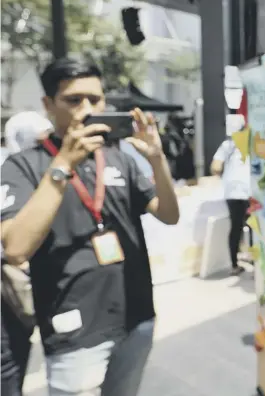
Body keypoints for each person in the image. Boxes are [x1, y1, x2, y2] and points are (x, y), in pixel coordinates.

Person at [0, 57, 180, 396]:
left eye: (96, 100)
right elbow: (15, 248)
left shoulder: (119, 156)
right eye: (73, 100)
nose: (87, 109)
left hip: (136, 317)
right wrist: (63, 164)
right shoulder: (23, 165)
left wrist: (156, 159)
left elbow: (169, 214)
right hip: (73, 331)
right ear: (48, 105)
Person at [1, 111, 53, 396]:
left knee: (20, 346)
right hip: (9, 278)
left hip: (26, 281)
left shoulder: (43, 168)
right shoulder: (10, 168)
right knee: (6, 360)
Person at [210, 114, 251, 276]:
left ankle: (234, 264)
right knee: (255, 225)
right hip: (249, 188)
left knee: (236, 226)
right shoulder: (250, 143)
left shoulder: (227, 146)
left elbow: (215, 167)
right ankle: (257, 263)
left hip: (232, 190)